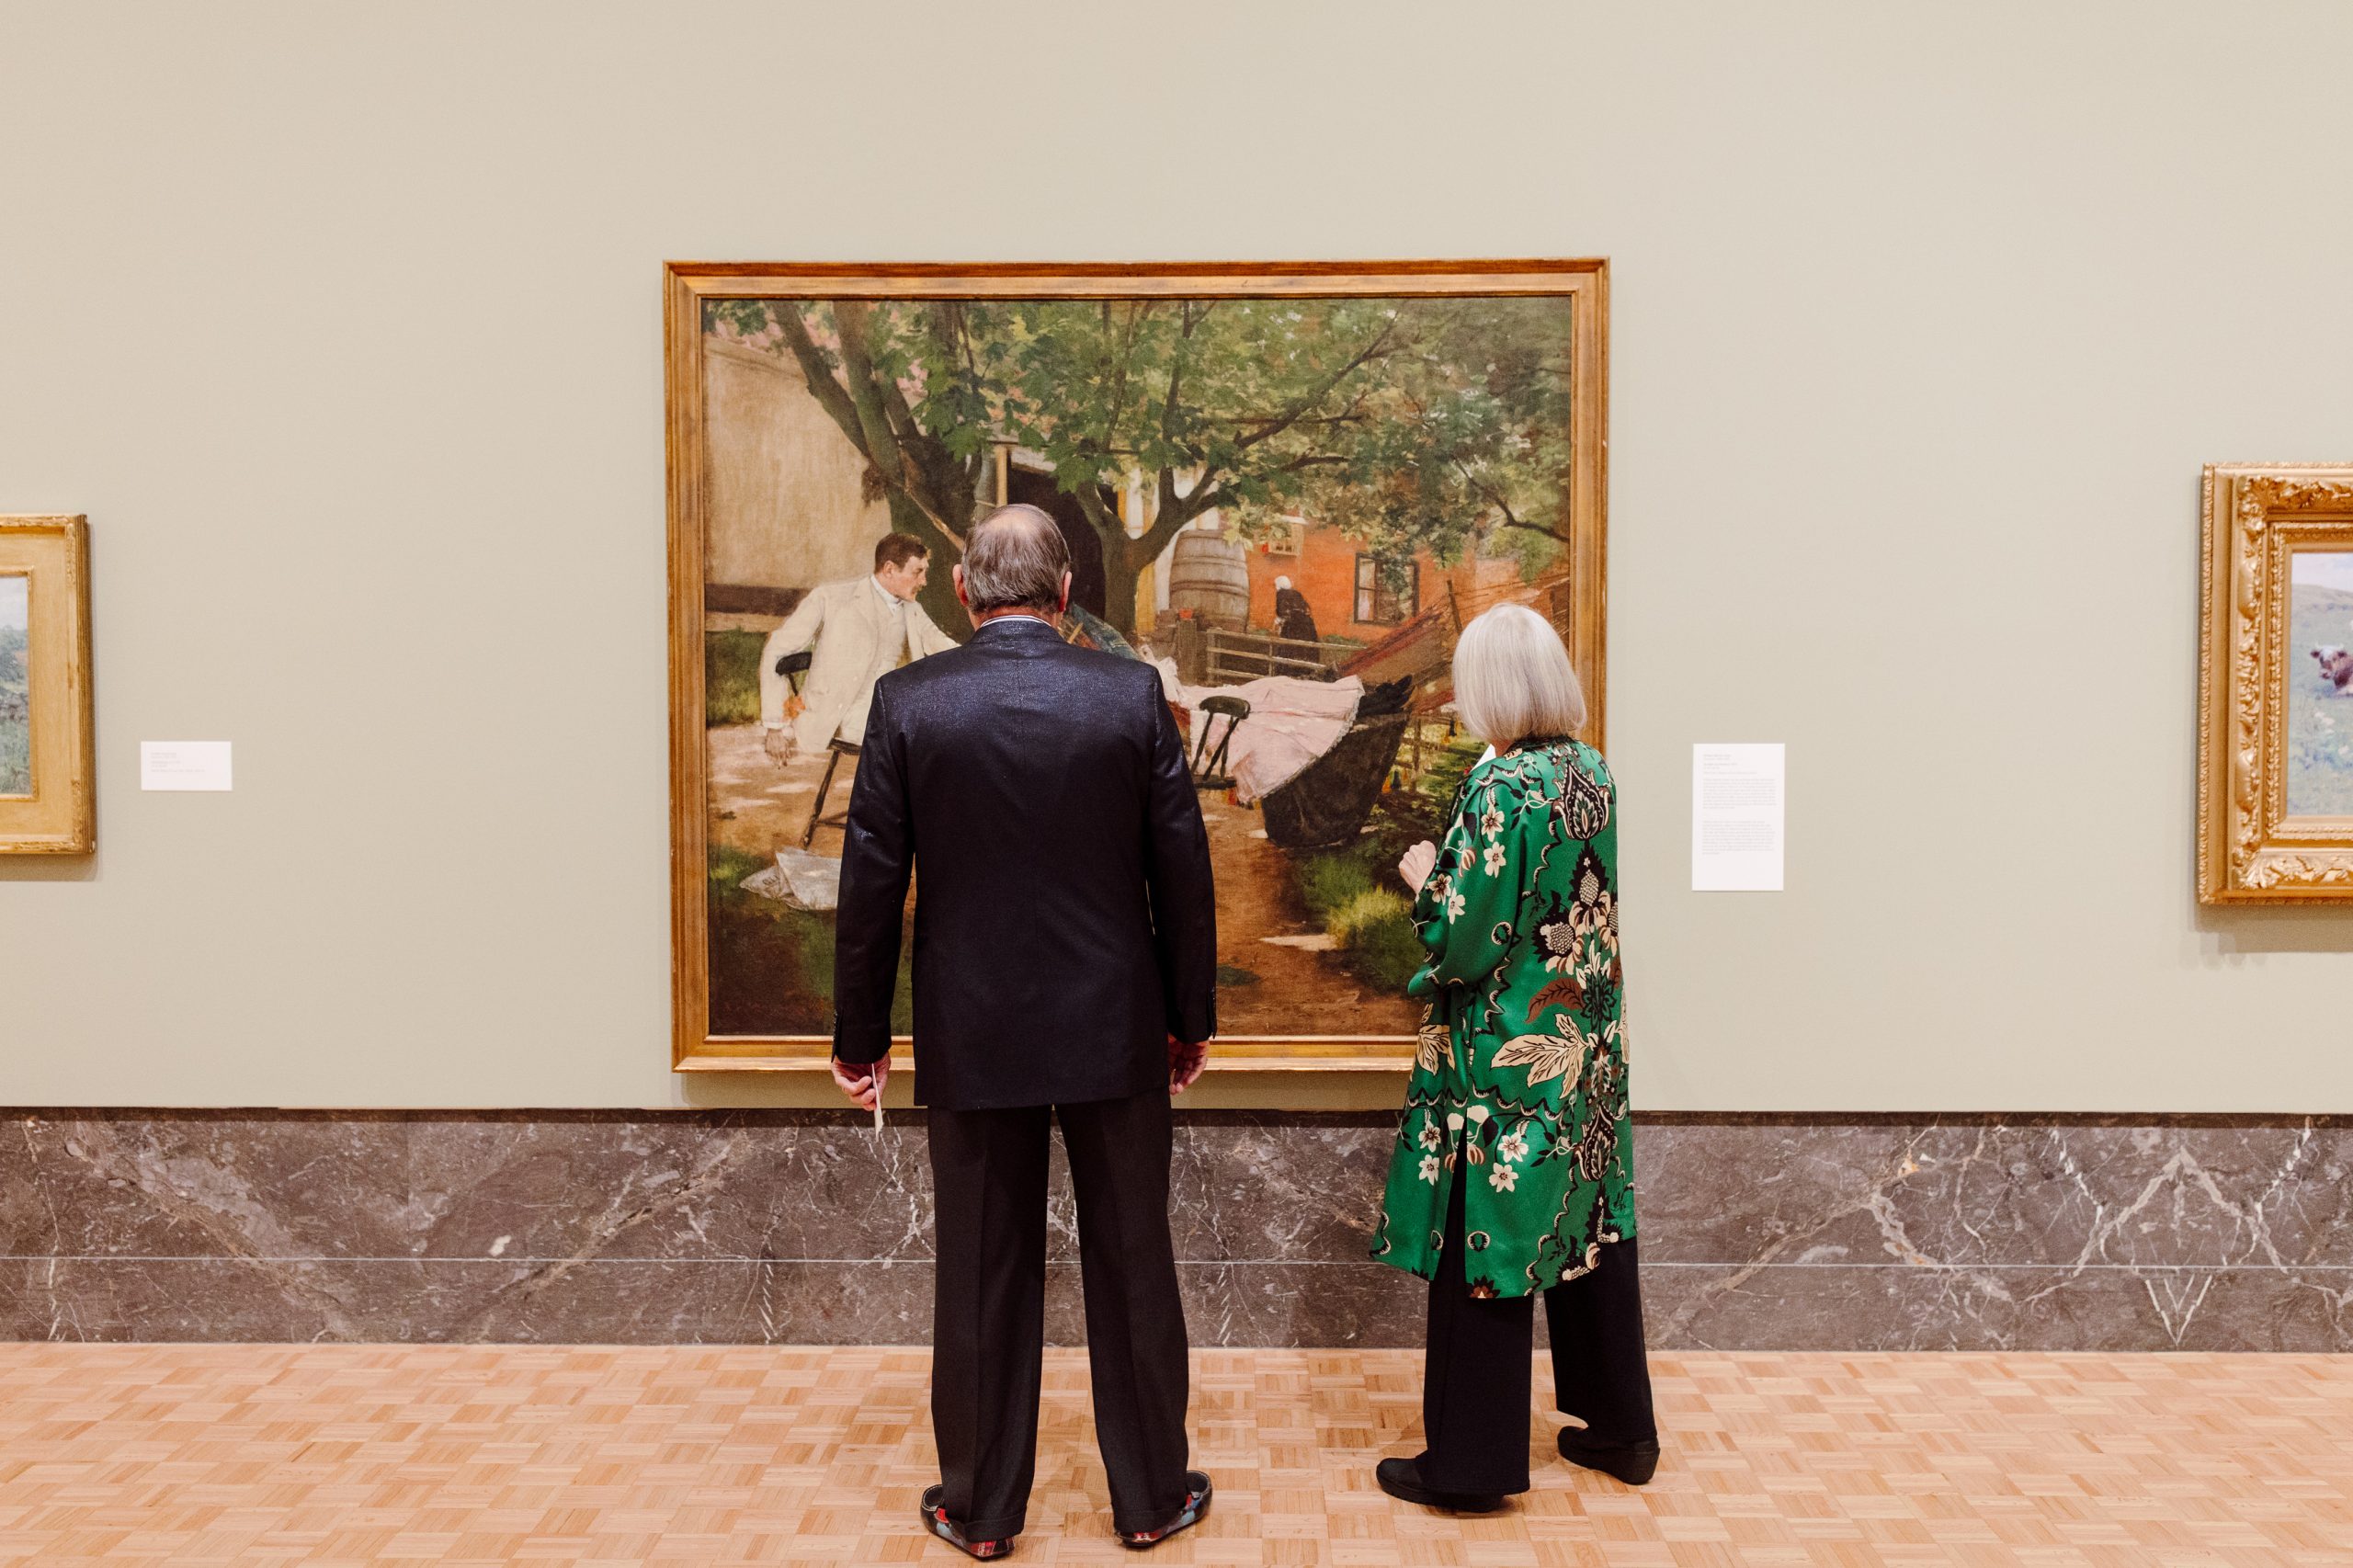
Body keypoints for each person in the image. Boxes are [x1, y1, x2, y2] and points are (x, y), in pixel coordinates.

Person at [829, 504, 1220, 1558]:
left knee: (979, 1270)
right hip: (1114, 1025)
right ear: (1061, 591)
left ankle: (979, 1507)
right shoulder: (1129, 694)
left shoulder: (909, 701)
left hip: (972, 1029)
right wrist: (1189, 1021)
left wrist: (860, 1037)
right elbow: (1183, 877)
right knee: (1134, 1260)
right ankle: (1148, 1498)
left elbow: (870, 886)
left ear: (965, 590)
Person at [1370, 602, 1659, 1511]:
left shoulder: (1499, 788)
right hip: (1587, 1047)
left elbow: (1467, 938)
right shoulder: (1590, 770)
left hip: (1506, 1062)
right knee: (1588, 1227)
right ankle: (1622, 1429)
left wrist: (1425, 881)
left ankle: (1471, 1464)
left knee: (1482, 1242)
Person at [757, 532, 960, 764]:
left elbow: (941, 644)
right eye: (917, 572)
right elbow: (777, 650)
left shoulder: (911, 609)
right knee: (929, 738)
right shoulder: (830, 598)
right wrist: (774, 727)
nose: (923, 581)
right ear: (890, 569)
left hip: (882, 710)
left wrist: (985, 657)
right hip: (837, 715)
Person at [1272, 574, 1319, 645]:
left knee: (1289, 646)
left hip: (1293, 624)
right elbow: (1305, 608)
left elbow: (1281, 612)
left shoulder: (1281, 594)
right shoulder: (1296, 593)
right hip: (1306, 623)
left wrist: (1278, 622)